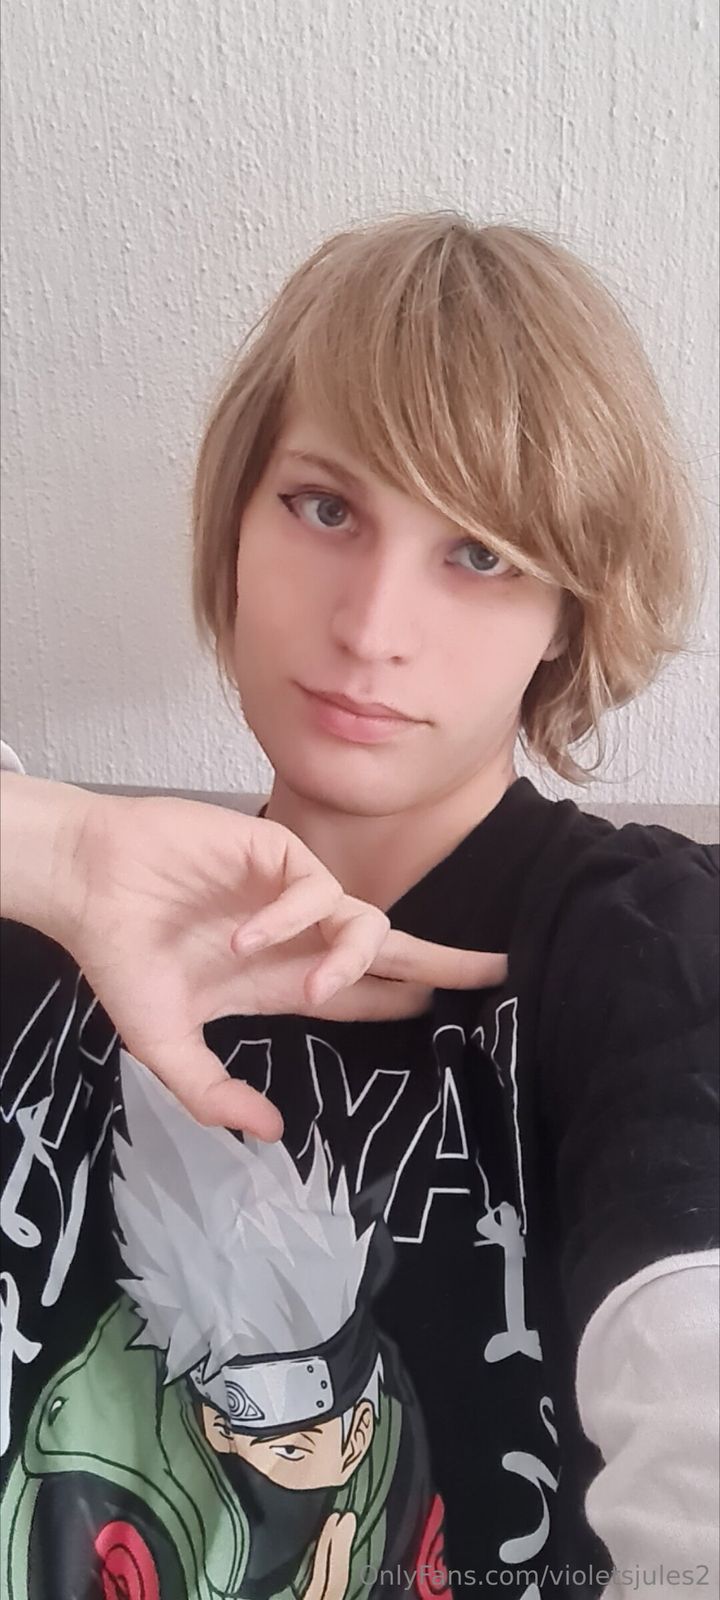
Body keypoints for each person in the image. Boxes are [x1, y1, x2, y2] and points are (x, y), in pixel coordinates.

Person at [0, 212, 717, 1600]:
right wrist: (61, 854)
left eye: (482, 554)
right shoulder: (51, 920)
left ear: (567, 611)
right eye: (325, 508)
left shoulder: (642, 947)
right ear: (236, 518)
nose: (373, 627)